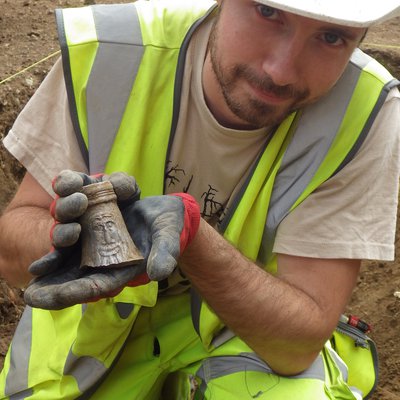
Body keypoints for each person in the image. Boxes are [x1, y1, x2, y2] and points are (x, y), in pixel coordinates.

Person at [0, 0, 399, 398]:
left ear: (361, 39)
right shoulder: (113, 49)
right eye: (267, 13)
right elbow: (11, 253)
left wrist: (193, 237)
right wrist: (69, 237)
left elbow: (295, 348)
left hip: (237, 340)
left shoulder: (363, 110)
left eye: (331, 37)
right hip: (83, 343)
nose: (280, 70)